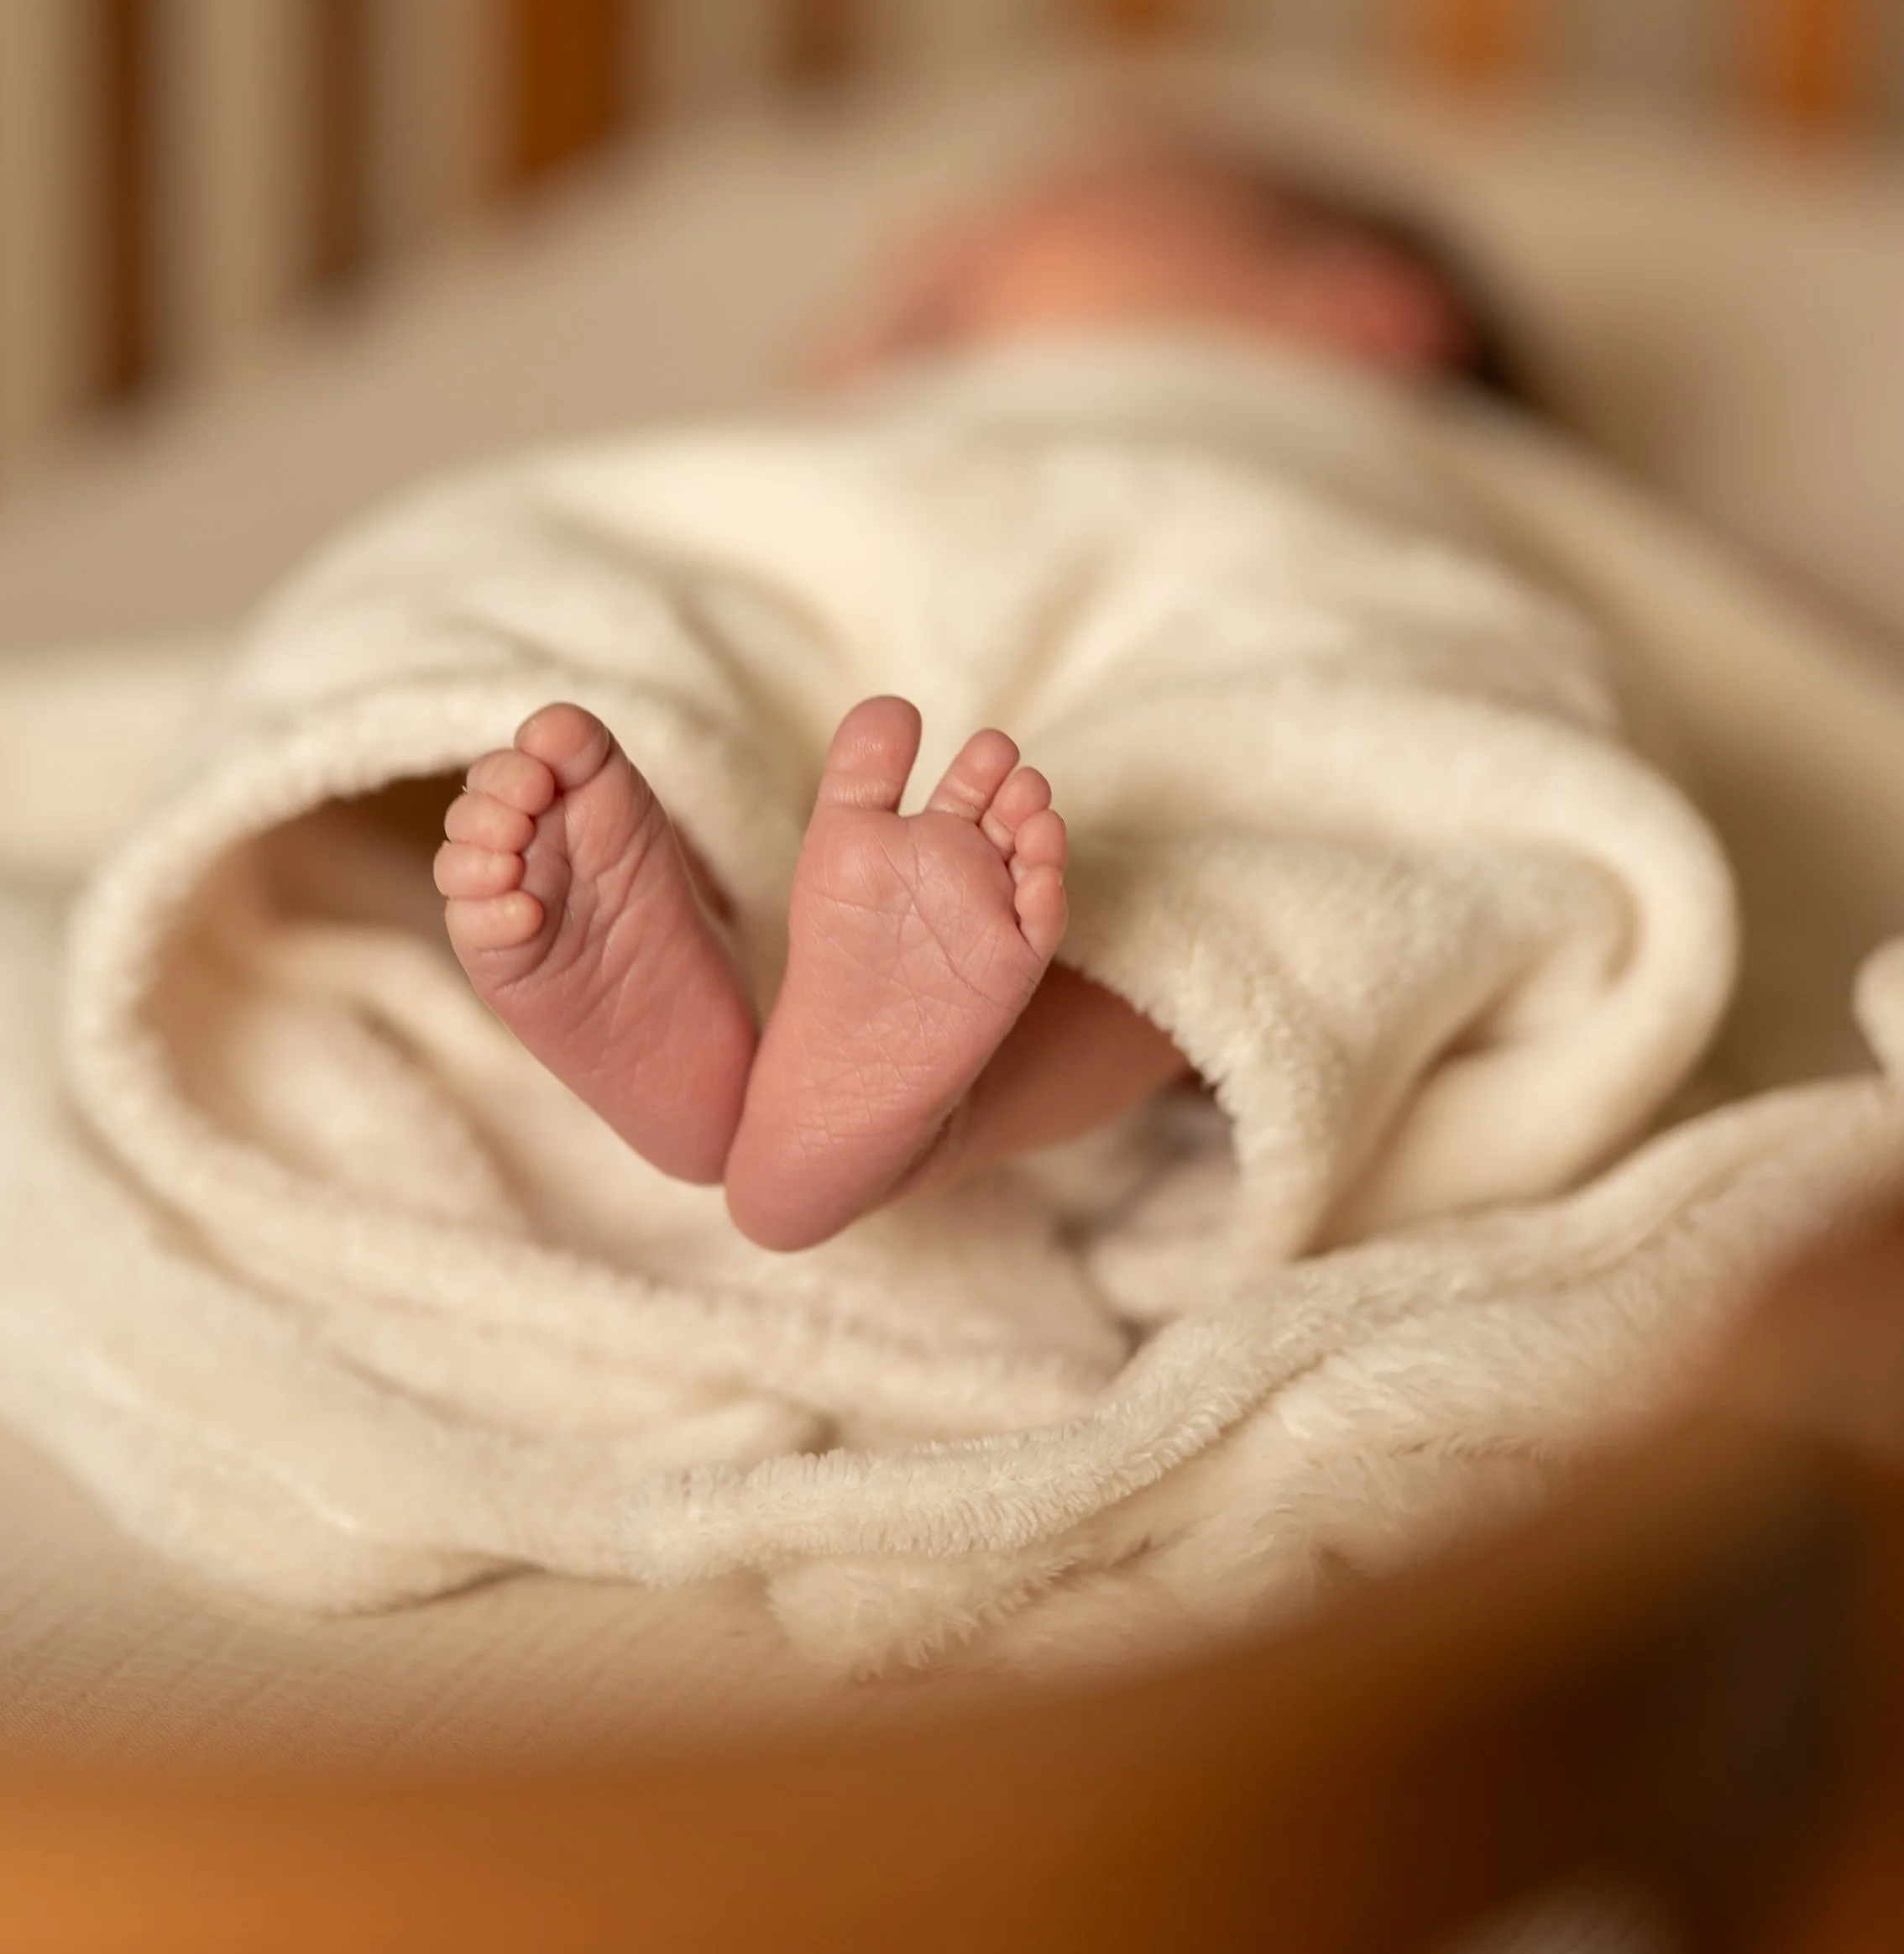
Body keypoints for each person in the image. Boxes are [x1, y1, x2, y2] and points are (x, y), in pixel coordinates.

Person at [432, 142, 1528, 1256]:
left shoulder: (1350, 455)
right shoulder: (884, 447)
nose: (917, 243)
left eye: (1028, 196)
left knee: (1266, 823)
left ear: (1375, 316)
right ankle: (713, 971)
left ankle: (899, 1081)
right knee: (666, 606)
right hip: (886, 589)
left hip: (1211, 603)